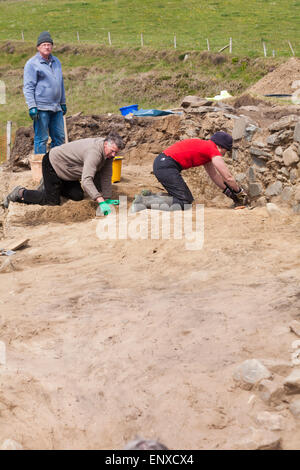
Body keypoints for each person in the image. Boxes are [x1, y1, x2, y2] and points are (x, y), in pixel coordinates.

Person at [3, 132, 124, 217]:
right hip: (53, 163)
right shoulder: (94, 152)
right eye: (112, 151)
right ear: (105, 144)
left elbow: (106, 176)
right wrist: (100, 201)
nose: (114, 154)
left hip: (68, 170)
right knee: (51, 200)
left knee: (77, 195)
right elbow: (86, 180)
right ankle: (20, 192)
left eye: (116, 152)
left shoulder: (108, 155)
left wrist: (107, 198)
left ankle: (50, 184)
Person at [132, 132, 248, 211]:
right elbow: (228, 177)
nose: (223, 154)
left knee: (184, 199)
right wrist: (239, 192)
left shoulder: (206, 149)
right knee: (184, 202)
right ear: (221, 147)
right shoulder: (212, 149)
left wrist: (227, 191)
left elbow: (214, 176)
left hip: (164, 163)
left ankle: (148, 196)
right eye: (225, 151)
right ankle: (144, 201)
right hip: (166, 165)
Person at [23, 31, 66, 154]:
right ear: (38, 47)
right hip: (41, 107)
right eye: (44, 45)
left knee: (59, 137)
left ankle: (55, 167)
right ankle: (41, 168)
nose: (47, 47)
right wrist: (32, 106)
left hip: (56, 107)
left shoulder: (56, 61)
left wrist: (63, 102)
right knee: (42, 138)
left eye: (49, 44)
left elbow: (60, 83)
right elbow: (28, 87)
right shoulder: (32, 64)